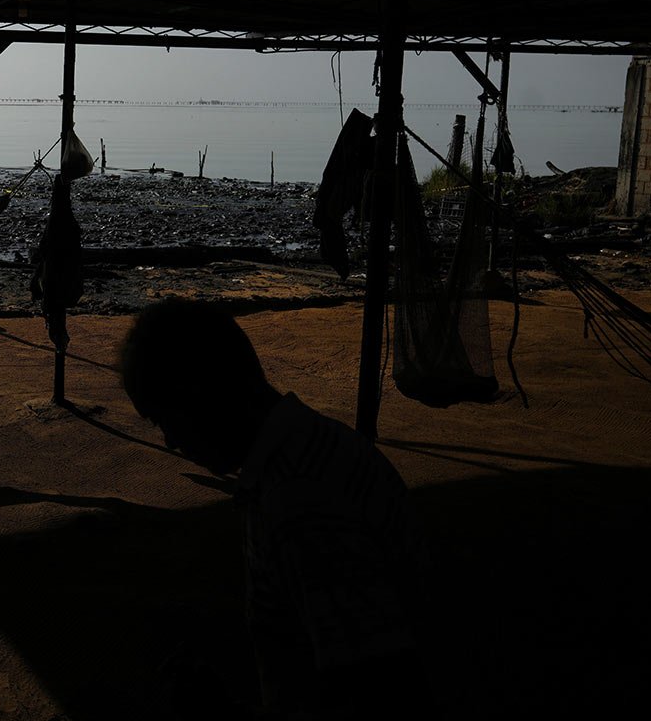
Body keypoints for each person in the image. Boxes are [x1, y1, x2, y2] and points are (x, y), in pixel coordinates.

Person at [120, 299, 429, 719]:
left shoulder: (300, 504)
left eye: (164, 420)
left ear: (200, 395)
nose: (171, 442)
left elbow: (367, 692)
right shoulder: (312, 449)